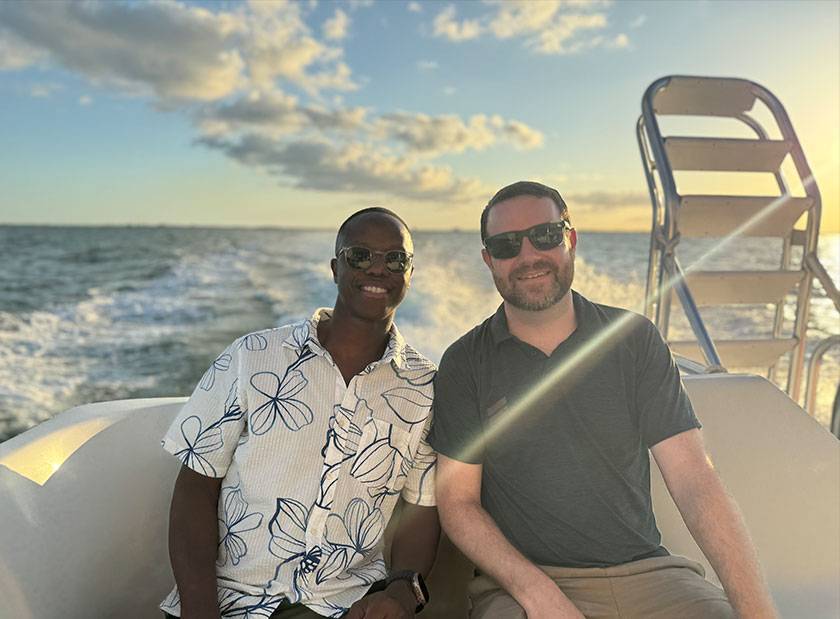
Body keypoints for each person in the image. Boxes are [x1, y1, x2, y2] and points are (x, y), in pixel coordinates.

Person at [429, 181, 778, 619]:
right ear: (489, 260)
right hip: (524, 585)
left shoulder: (634, 340)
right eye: (505, 245)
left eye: (545, 236)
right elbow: (459, 502)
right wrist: (540, 596)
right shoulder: (466, 362)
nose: (527, 256)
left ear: (570, 239)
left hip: (650, 577)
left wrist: (759, 613)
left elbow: (693, 479)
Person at [160, 208, 439, 619]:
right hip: (228, 601)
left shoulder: (425, 389)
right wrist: (199, 608)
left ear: (410, 273)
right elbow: (195, 487)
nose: (378, 270)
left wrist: (402, 589)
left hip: (347, 605)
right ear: (334, 268)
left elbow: (421, 507)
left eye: (395, 259)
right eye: (360, 256)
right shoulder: (252, 357)